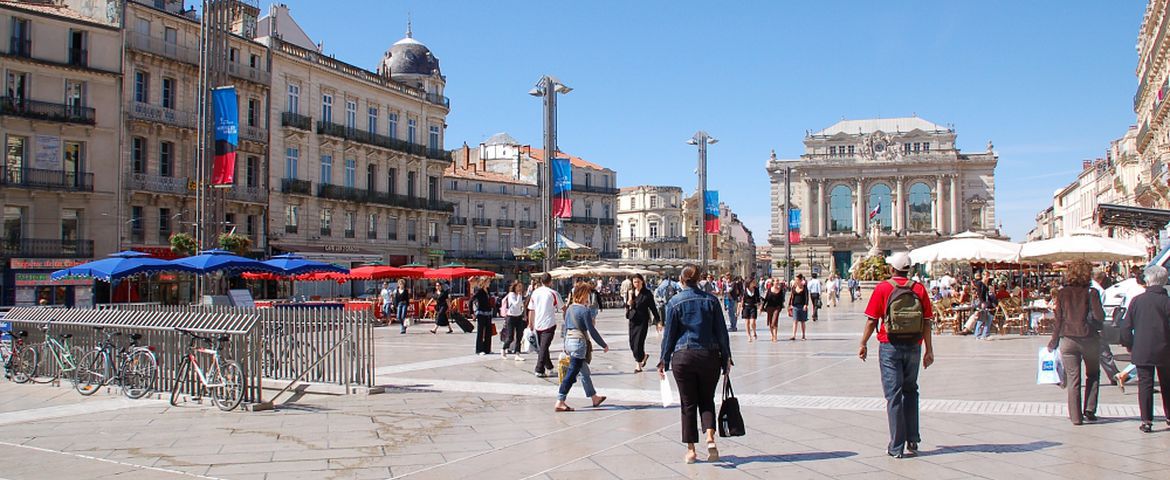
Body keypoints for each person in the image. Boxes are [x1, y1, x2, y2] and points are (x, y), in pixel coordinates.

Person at [859, 252, 935, 459]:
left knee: (894, 395)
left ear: (892, 269)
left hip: (890, 345)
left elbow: (872, 320)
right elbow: (927, 321)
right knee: (911, 390)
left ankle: (896, 446)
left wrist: (863, 343)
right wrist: (929, 349)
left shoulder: (883, 288)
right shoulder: (919, 288)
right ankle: (913, 438)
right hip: (914, 345)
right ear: (908, 269)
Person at [657, 264, 732, 464]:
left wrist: (663, 359)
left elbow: (669, 336)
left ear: (682, 280)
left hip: (684, 357)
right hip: (709, 356)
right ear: (699, 280)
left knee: (688, 403)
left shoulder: (674, 302)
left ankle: (691, 450)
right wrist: (726, 358)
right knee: (707, 398)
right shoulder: (712, 301)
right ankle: (710, 438)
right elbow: (721, 333)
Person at [1047, 260, 1104, 426]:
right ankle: (1090, 409)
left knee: (1073, 379)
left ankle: (1076, 417)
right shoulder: (1092, 292)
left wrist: (1053, 341)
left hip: (1068, 339)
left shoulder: (1063, 293)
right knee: (1093, 374)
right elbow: (1100, 316)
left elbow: (1058, 320)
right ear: (1088, 274)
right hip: (1089, 339)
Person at [1120, 265, 1170, 433]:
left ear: (1148, 281)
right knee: (1167, 383)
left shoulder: (1137, 301)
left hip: (1142, 348)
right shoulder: (1167, 301)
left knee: (1145, 384)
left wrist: (1129, 344)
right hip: (1166, 349)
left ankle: (1146, 420)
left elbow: (1126, 327)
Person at [555, 281, 610, 412]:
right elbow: (591, 330)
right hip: (578, 343)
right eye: (587, 295)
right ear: (582, 294)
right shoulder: (584, 310)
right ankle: (560, 400)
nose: (588, 298)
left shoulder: (569, 309)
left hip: (568, 341)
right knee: (572, 373)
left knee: (584, 372)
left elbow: (565, 327)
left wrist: (565, 345)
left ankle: (594, 397)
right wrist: (603, 345)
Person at [528, 273, 562, 378]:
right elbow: (563, 308)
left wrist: (530, 323)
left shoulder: (535, 293)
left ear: (541, 281)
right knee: (543, 347)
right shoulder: (553, 293)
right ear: (551, 281)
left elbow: (531, 309)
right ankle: (540, 369)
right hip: (549, 323)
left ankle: (547, 367)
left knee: (543, 346)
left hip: (538, 324)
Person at [626, 274, 660, 373]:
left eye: (638, 282)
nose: (636, 284)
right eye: (634, 282)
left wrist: (658, 321)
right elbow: (628, 307)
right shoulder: (630, 293)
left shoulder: (647, 294)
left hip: (642, 321)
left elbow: (653, 308)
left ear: (642, 282)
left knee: (638, 343)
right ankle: (644, 356)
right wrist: (629, 303)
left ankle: (638, 365)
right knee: (632, 343)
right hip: (632, 320)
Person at [500, 280, 527, 361]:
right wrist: (519, 296)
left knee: (519, 336)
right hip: (511, 317)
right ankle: (504, 349)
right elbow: (516, 304)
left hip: (518, 317)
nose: (520, 289)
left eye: (521, 287)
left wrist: (524, 315)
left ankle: (517, 353)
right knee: (510, 337)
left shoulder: (520, 295)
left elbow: (521, 306)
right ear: (514, 287)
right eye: (519, 286)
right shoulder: (511, 295)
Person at [470, 278, 494, 355]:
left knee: (488, 332)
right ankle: (479, 350)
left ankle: (487, 349)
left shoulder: (488, 290)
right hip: (481, 313)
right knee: (480, 332)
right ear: (484, 282)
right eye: (488, 281)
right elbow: (471, 301)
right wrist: (472, 312)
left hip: (488, 313)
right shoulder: (479, 291)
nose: (489, 283)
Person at [789, 275, 810, 341]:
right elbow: (792, 296)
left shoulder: (804, 287)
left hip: (802, 306)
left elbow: (806, 296)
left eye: (797, 280)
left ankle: (803, 335)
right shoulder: (794, 287)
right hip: (795, 306)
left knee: (803, 321)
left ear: (801, 280)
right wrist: (790, 305)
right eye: (795, 280)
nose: (796, 281)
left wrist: (806, 304)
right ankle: (793, 335)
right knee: (795, 321)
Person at [741, 278, 760, 342]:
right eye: (753, 282)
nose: (754, 283)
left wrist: (760, 307)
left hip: (753, 306)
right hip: (746, 307)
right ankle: (749, 336)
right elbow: (742, 299)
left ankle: (754, 332)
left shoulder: (756, 289)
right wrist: (740, 307)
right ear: (749, 283)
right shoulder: (744, 290)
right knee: (747, 322)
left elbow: (758, 299)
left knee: (752, 322)